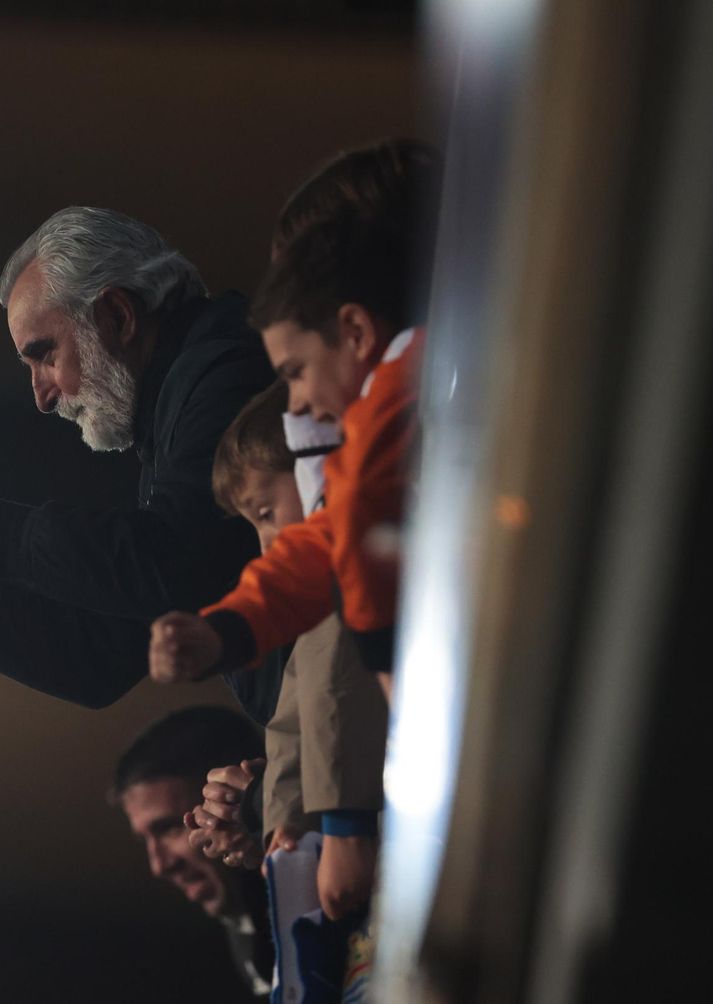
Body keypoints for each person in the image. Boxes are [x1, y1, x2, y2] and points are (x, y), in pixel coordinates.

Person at [0, 207, 276, 712]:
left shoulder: (226, 375)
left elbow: (179, 563)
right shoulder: (179, 405)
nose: (42, 397)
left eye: (45, 356)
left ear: (118, 316)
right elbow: (100, 658)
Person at [147, 159, 440, 697]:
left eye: (296, 373)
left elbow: (334, 534)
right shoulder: (378, 419)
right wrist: (228, 630)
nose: (297, 403)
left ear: (353, 326)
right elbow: (324, 543)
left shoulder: (395, 406)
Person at [194, 383, 389, 923]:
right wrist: (279, 829)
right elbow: (294, 729)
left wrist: (337, 829)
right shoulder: (313, 609)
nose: (265, 545)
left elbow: (336, 703)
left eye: (266, 511)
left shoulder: (343, 580)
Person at [112, 706, 274, 999]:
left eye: (169, 828)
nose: (159, 866)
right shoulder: (240, 924)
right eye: (144, 840)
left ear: (227, 797)